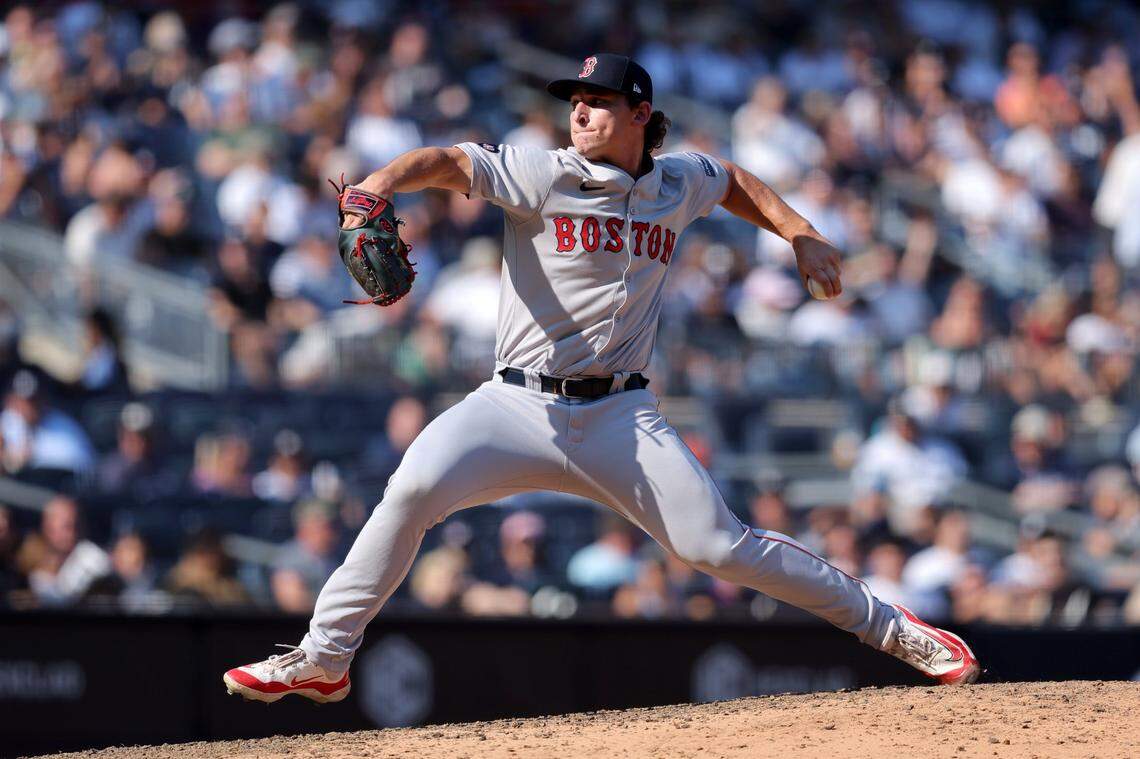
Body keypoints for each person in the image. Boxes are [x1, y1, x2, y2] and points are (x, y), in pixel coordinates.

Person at [224, 53, 980, 704]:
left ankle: (893, 627)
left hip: (621, 415)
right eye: (575, 103)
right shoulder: (542, 173)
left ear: (640, 114)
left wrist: (799, 233)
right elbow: (453, 162)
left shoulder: (675, 182)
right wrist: (379, 184)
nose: (579, 113)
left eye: (597, 103)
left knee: (718, 546)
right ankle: (324, 657)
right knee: (413, 489)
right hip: (515, 404)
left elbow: (734, 182)